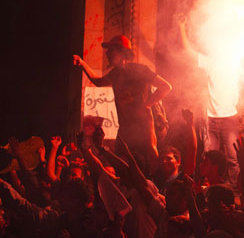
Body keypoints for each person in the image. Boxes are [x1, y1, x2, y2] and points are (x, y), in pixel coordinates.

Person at [73, 35, 172, 170]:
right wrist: (82, 63)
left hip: (143, 125)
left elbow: (166, 87)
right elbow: (99, 81)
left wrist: (147, 105)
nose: (107, 53)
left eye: (111, 50)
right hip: (126, 127)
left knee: (148, 157)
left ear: (122, 52)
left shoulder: (140, 70)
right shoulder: (115, 73)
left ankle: (154, 185)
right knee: (123, 161)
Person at [176, 14, 240, 184]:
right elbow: (188, 53)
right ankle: (208, 187)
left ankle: (235, 191)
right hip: (211, 119)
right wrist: (182, 28)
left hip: (230, 118)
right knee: (209, 157)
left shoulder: (237, 62)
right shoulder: (211, 62)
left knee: (234, 158)